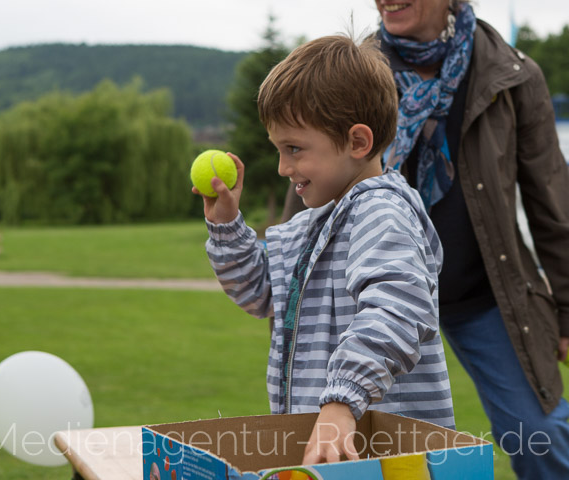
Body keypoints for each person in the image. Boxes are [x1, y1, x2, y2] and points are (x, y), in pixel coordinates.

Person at [280, 1, 569, 476]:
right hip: (371, 303)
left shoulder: (513, 74)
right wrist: (291, 288)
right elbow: (307, 186)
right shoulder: (349, 67)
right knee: (358, 448)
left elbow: (551, 201)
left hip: (486, 296)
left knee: (537, 432)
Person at [195, 35, 454, 464]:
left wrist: (341, 400)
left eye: (294, 149)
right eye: (279, 150)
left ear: (357, 142)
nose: (283, 168)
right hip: (333, 448)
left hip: (385, 454)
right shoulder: (311, 223)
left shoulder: (382, 212)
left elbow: (398, 310)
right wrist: (225, 225)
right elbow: (259, 290)